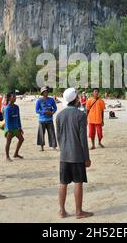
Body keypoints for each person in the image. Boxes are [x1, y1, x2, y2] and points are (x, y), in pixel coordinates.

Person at [56, 88, 93, 219]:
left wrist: (64, 150)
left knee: (63, 183)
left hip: (64, 155)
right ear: (76, 99)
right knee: (78, 182)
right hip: (77, 155)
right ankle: (78, 211)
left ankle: (62, 211)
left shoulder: (59, 115)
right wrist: (86, 158)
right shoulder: (81, 115)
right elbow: (83, 139)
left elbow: (59, 137)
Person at [36, 87, 58, 151]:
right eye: (45, 92)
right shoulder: (39, 101)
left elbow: (55, 108)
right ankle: (42, 147)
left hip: (49, 119)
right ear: (42, 93)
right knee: (41, 134)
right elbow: (37, 110)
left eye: (47, 91)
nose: (46, 93)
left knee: (51, 133)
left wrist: (52, 113)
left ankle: (54, 146)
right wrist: (44, 112)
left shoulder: (51, 100)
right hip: (41, 120)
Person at [4, 92, 24, 161]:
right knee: (8, 142)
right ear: (9, 98)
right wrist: (8, 130)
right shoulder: (7, 108)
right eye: (13, 97)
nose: (15, 98)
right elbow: (7, 120)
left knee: (21, 139)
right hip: (9, 129)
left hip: (16, 128)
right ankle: (7, 156)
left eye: (15, 97)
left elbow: (18, 118)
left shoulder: (16, 107)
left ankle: (16, 154)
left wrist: (20, 127)